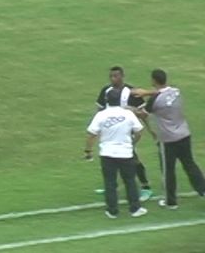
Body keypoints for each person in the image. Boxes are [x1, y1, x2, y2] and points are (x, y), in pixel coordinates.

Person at [133, 69, 205, 209]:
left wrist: (128, 110)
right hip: (184, 134)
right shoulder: (176, 91)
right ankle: (203, 190)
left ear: (154, 80)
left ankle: (170, 201)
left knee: (168, 170)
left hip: (168, 140)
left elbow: (143, 114)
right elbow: (162, 93)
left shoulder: (154, 101)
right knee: (190, 165)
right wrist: (146, 92)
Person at [85, 88, 148, 219]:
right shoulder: (128, 114)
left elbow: (91, 134)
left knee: (110, 183)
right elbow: (139, 130)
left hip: (107, 154)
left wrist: (88, 151)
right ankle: (135, 209)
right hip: (125, 153)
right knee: (130, 181)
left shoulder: (101, 115)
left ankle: (112, 211)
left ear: (107, 100)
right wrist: (132, 142)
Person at [95, 66, 153, 201]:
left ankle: (145, 187)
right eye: (111, 76)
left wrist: (149, 128)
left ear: (122, 76)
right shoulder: (106, 91)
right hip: (110, 131)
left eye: (116, 76)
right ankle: (112, 187)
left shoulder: (131, 92)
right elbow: (100, 109)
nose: (113, 79)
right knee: (110, 159)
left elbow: (143, 114)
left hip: (127, 131)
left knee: (133, 157)